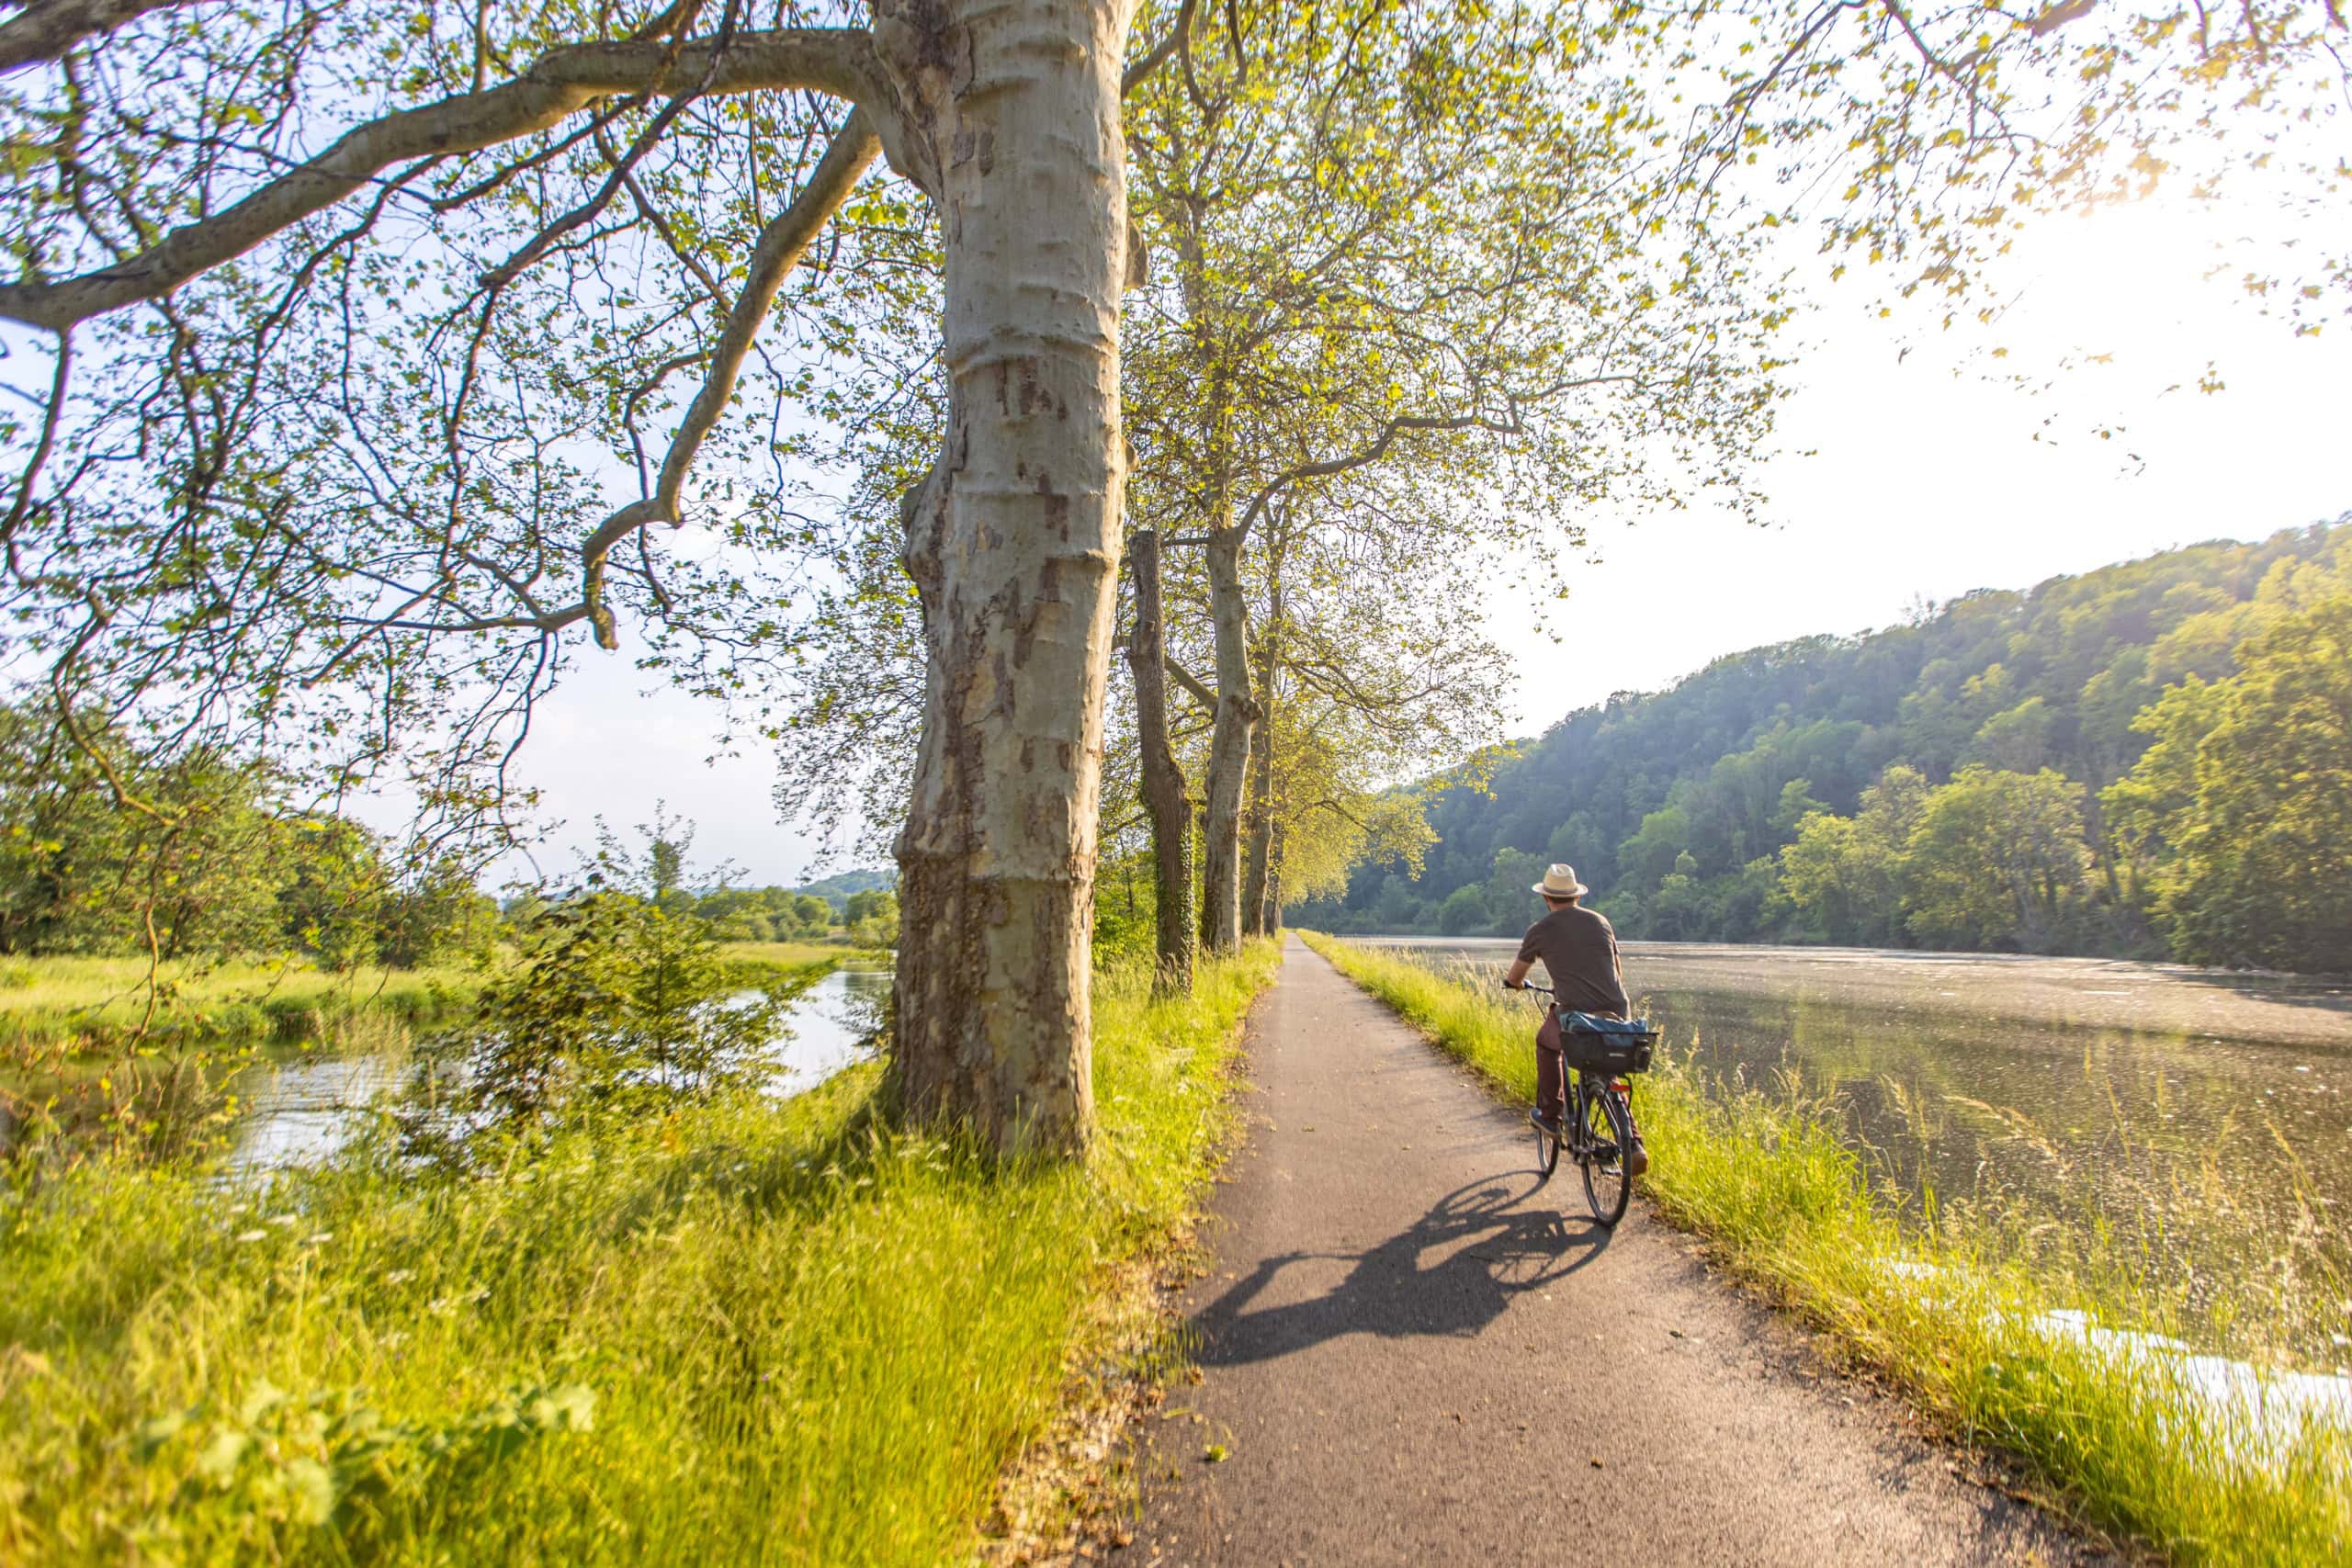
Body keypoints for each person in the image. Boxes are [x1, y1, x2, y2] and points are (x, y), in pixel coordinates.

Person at [1501, 863, 1647, 1177]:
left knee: (1546, 1043)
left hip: (1577, 1016)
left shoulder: (1539, 930)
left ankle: (1551, 1116)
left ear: (1546, 898)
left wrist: (1514, 985)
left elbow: (1515, 977)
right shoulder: (1601, 922)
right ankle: (1633, 1143)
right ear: (1576, 896)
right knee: (1606, 1072)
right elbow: (1616, 972)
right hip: (1618, 1014)